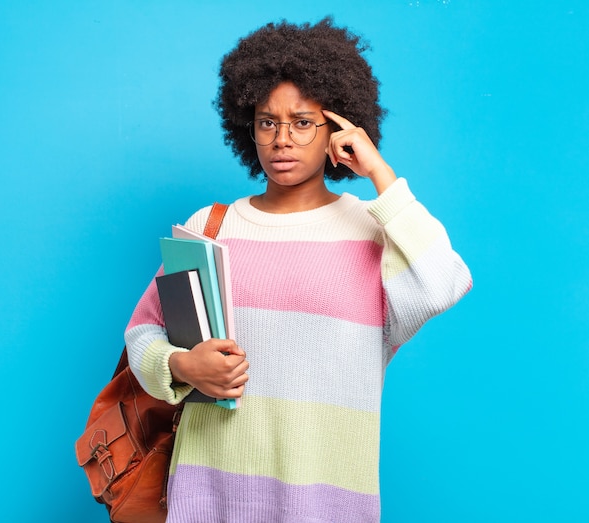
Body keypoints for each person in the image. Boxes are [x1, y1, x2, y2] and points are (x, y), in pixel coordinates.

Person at [125, 17, 472, 523]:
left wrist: (381, 174)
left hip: (327, 501)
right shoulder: (211, 225)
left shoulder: (371, 231)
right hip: (209, 493)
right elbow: (144, 332)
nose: (282, 138)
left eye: (303, 121)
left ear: (339, 128)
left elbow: (444, 282)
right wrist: (182, 367)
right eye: (267, 122)